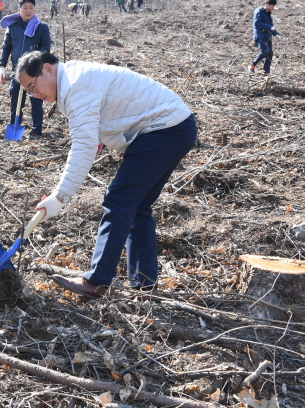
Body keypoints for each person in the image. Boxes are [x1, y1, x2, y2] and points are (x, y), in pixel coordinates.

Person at [15, 51, 196, 299]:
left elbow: (84, 146)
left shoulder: (76, 86)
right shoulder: (74, 79)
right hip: (176, 127)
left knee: (118, 200)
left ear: (48, 68)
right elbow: (102, 120)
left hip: (163, 129)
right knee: (137, 206)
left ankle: (97, 281)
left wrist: (60, 197)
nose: (35, 95)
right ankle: (144, 286)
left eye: (33, 86)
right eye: (29, 92)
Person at [0, 0, 52, 139]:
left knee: (36, 100)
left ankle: (36, 130)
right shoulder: (13, 27)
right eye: (25, 8)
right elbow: (6, 47)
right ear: (19, 10)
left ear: (34, 9)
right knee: (15, 100)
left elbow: (46, 46)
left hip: (35, 72)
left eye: (31, 8)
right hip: (17, 71)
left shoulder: (42, 28)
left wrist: (35, 58)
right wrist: (2, 66)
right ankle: (14, 126)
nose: (28, 11)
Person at [249, 0, 281, 76]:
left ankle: (266, 72)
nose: (273, 8)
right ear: (267, 4)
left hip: (268, 36)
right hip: (260, 35)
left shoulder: (268, 14)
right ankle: (252, 65)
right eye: (272, 6)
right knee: (265, 51)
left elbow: (271, 26)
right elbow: (257, 23)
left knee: (270, 54)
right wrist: (269, 27)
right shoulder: (259, 11)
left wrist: (276, 34)